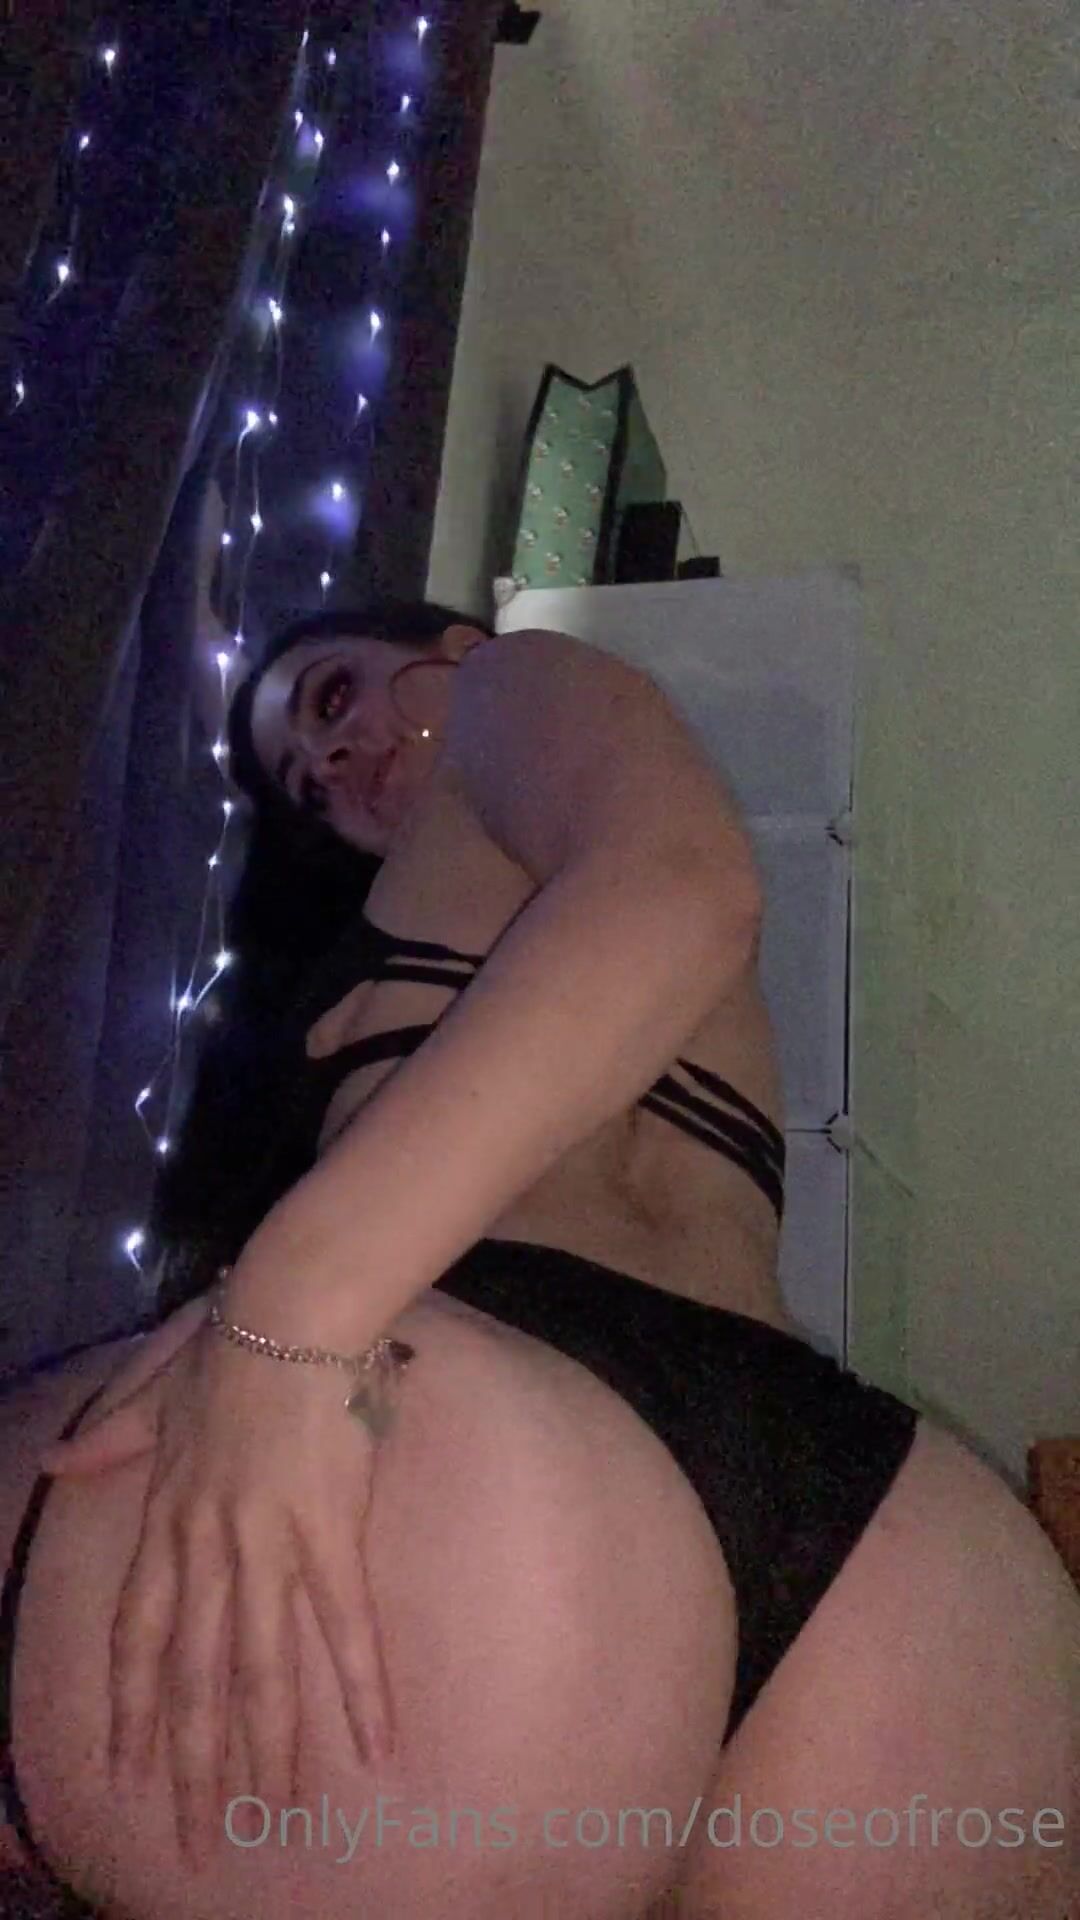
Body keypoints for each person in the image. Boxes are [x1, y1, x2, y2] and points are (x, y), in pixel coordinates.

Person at [1, 599, 1077, 1920]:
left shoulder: (510, 686)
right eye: (304, 784)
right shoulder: (480, 883)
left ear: (452, 646)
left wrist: (290, 1314)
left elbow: (679, 890)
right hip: (887, 1555)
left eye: (331, 699)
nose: (327, 764)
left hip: (491, 1410)